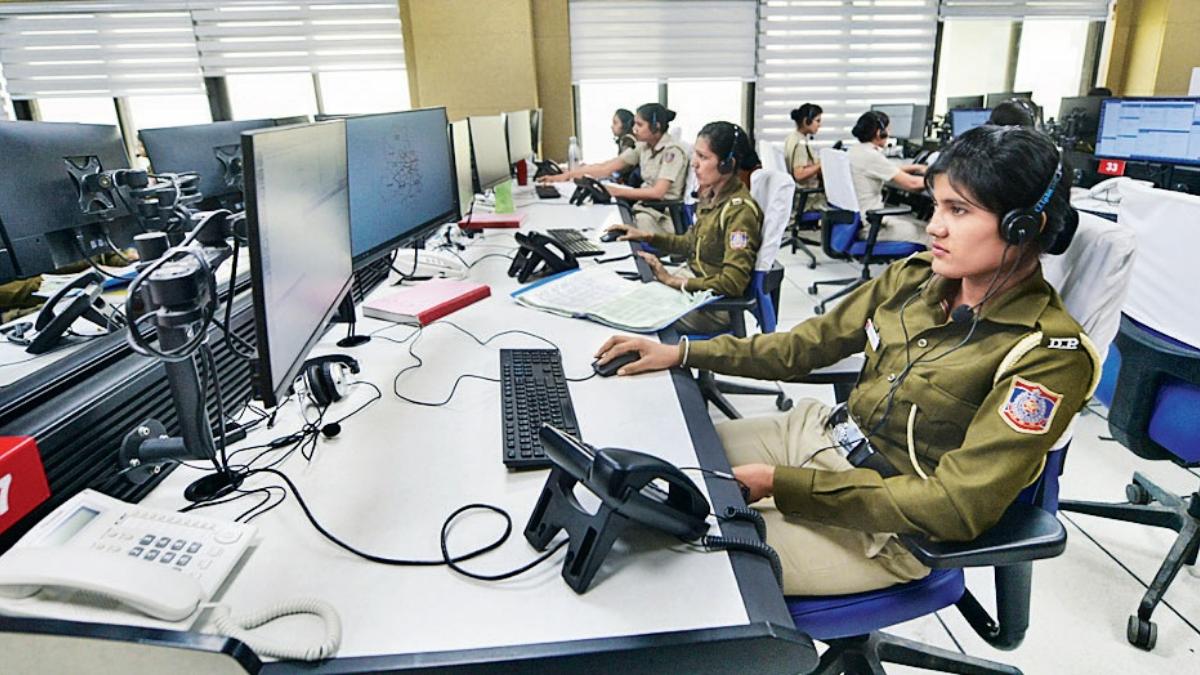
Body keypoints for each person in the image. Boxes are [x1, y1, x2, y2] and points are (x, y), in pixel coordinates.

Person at [593, 126, 1097, 596]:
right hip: (820, 434)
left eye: (959, 211)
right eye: (937, 206)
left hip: (887, 527)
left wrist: (779, 484)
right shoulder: (915, 278)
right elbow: (805, 345)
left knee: (674, 560)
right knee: (659, 465)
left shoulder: (1047, 355)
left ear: (1023, 227)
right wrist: (680, 351)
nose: (934, 227)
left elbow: (954, 506)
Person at [604, 121, 762, 333]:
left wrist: (674, 281)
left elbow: (733, 283)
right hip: (693, 286)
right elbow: (690, 243)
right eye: (696, 154)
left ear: (727, 164)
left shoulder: (739, 212)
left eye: (703, 157)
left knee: (628, 314)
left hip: (713, 306)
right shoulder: (712, 195)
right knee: (621, 291)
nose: (694, 163)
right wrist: (646, 236)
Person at [540, 103, 688, 236]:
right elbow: (606, 168)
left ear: (656, 126)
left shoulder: (672, 152)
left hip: (661, 217)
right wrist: (565, 176)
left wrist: (615, 191)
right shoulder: (643, 147)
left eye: (640, 125)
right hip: (644, 209)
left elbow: (657, 193)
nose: (634, 129)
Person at [847, 110, 929, 243]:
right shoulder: (871, 156)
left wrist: (916, 167)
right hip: (872, 228)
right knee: (930, 233)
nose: (890, 133)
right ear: (880, 132)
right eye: (888, 129)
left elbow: (885, 169)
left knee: (921, 224)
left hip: (857, 222)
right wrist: (942, 180)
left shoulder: (855, 150)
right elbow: (912, 184)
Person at [783, 103, 826, 212]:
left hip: (801, 197)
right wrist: (821, 165)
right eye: (817, 121)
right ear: (807, 121)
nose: (819, 125)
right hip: (808, 200)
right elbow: (799, 174)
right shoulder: (800, 143)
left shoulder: (792, 137)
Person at [611, 108, 639, 185]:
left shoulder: (628, 140)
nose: (612, 126)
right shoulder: (628, 138)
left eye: (615, 123)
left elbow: (624, 164)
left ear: (624, 124)